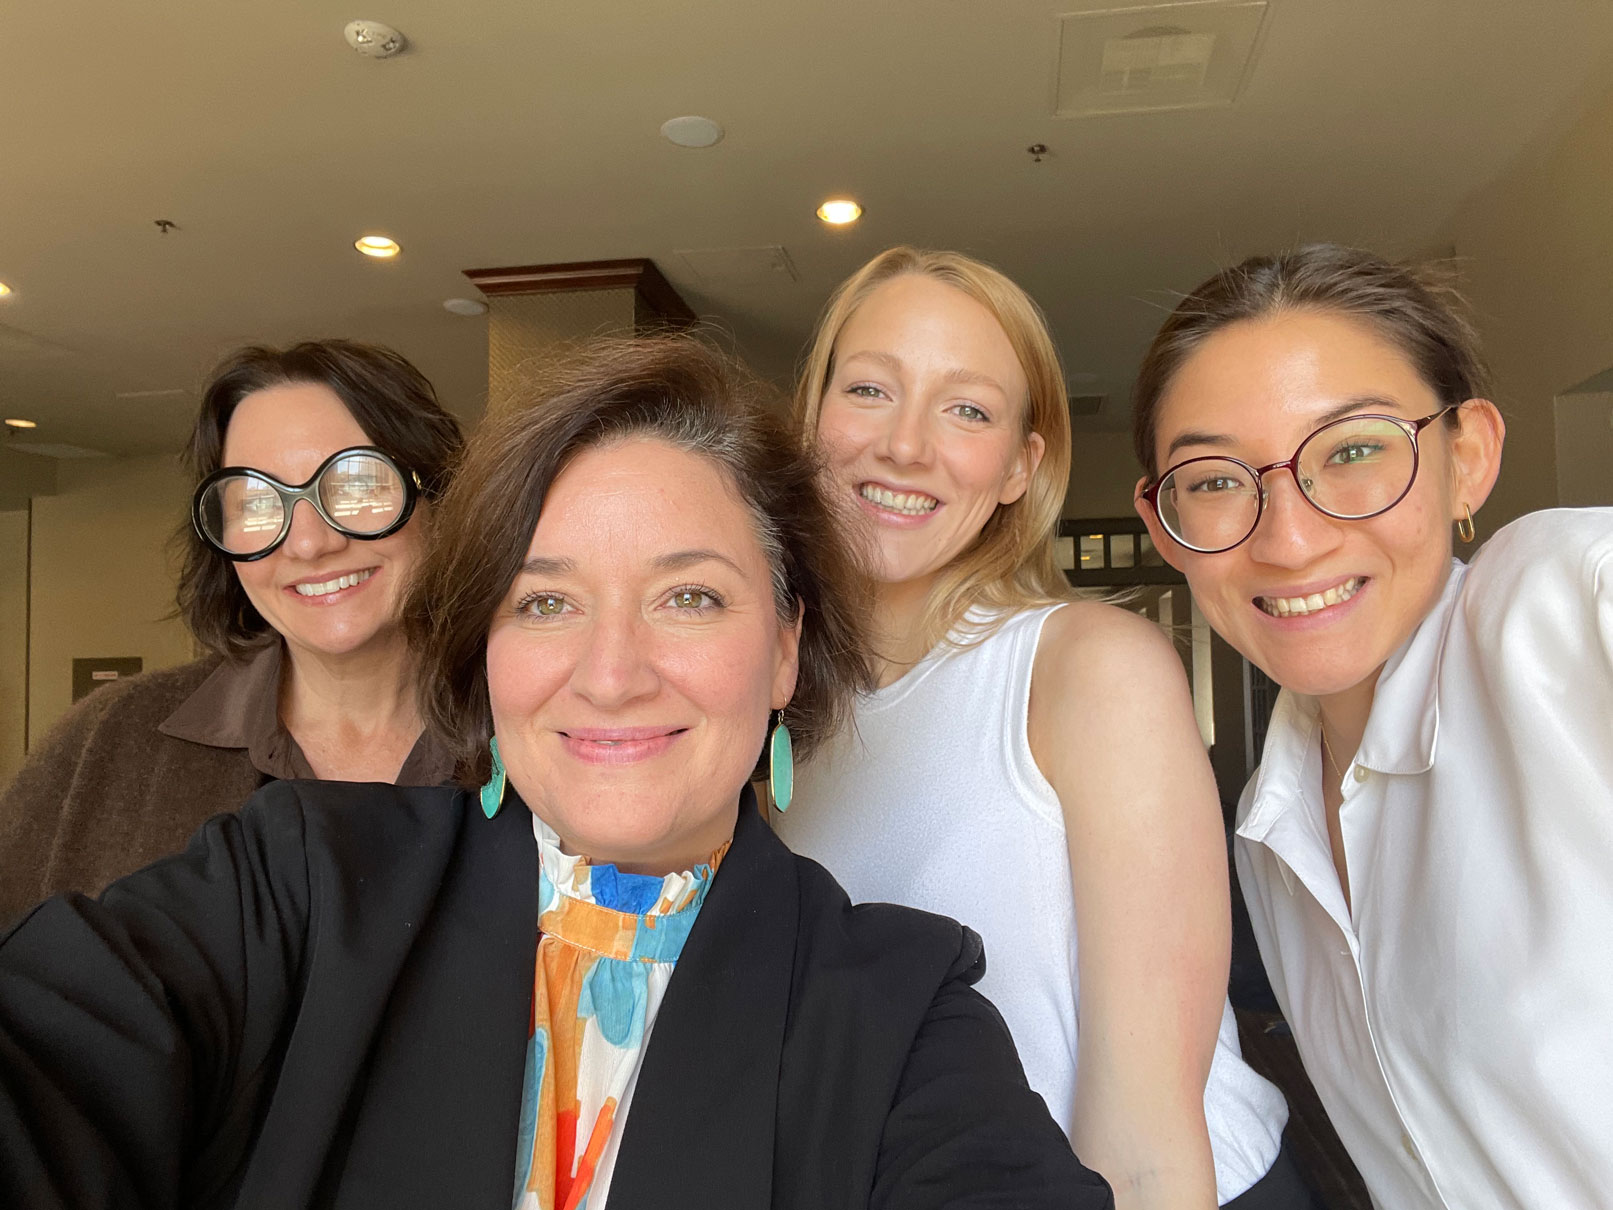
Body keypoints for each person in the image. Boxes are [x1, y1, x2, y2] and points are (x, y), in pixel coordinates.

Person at [0, 334, 1114, 1210]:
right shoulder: (296, 882)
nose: (611, 672)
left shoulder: (900, 1007)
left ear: (782, 646)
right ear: (485, 650)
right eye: (545, 600)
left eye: (689, 596)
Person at [778, 247, 1305, 1210]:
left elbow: (1148, 1139)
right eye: (867, 389)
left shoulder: (1087, 668)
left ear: (1022, 466)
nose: (903, 445)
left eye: (966, 409)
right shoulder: (776, 707)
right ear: (809, 420)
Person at [1130, 243, 1613, 1209]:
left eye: (1351, 451)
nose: (1289, 539)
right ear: (1162, 522)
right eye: (1217, 479)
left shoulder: (1564, 608)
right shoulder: (1269, 835)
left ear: (1466, 456)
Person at [0, 340, 463, 923]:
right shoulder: (104, 742)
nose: (310, 542)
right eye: (258, 503)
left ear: (441, 497)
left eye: (357, 485)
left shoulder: (549, 731)